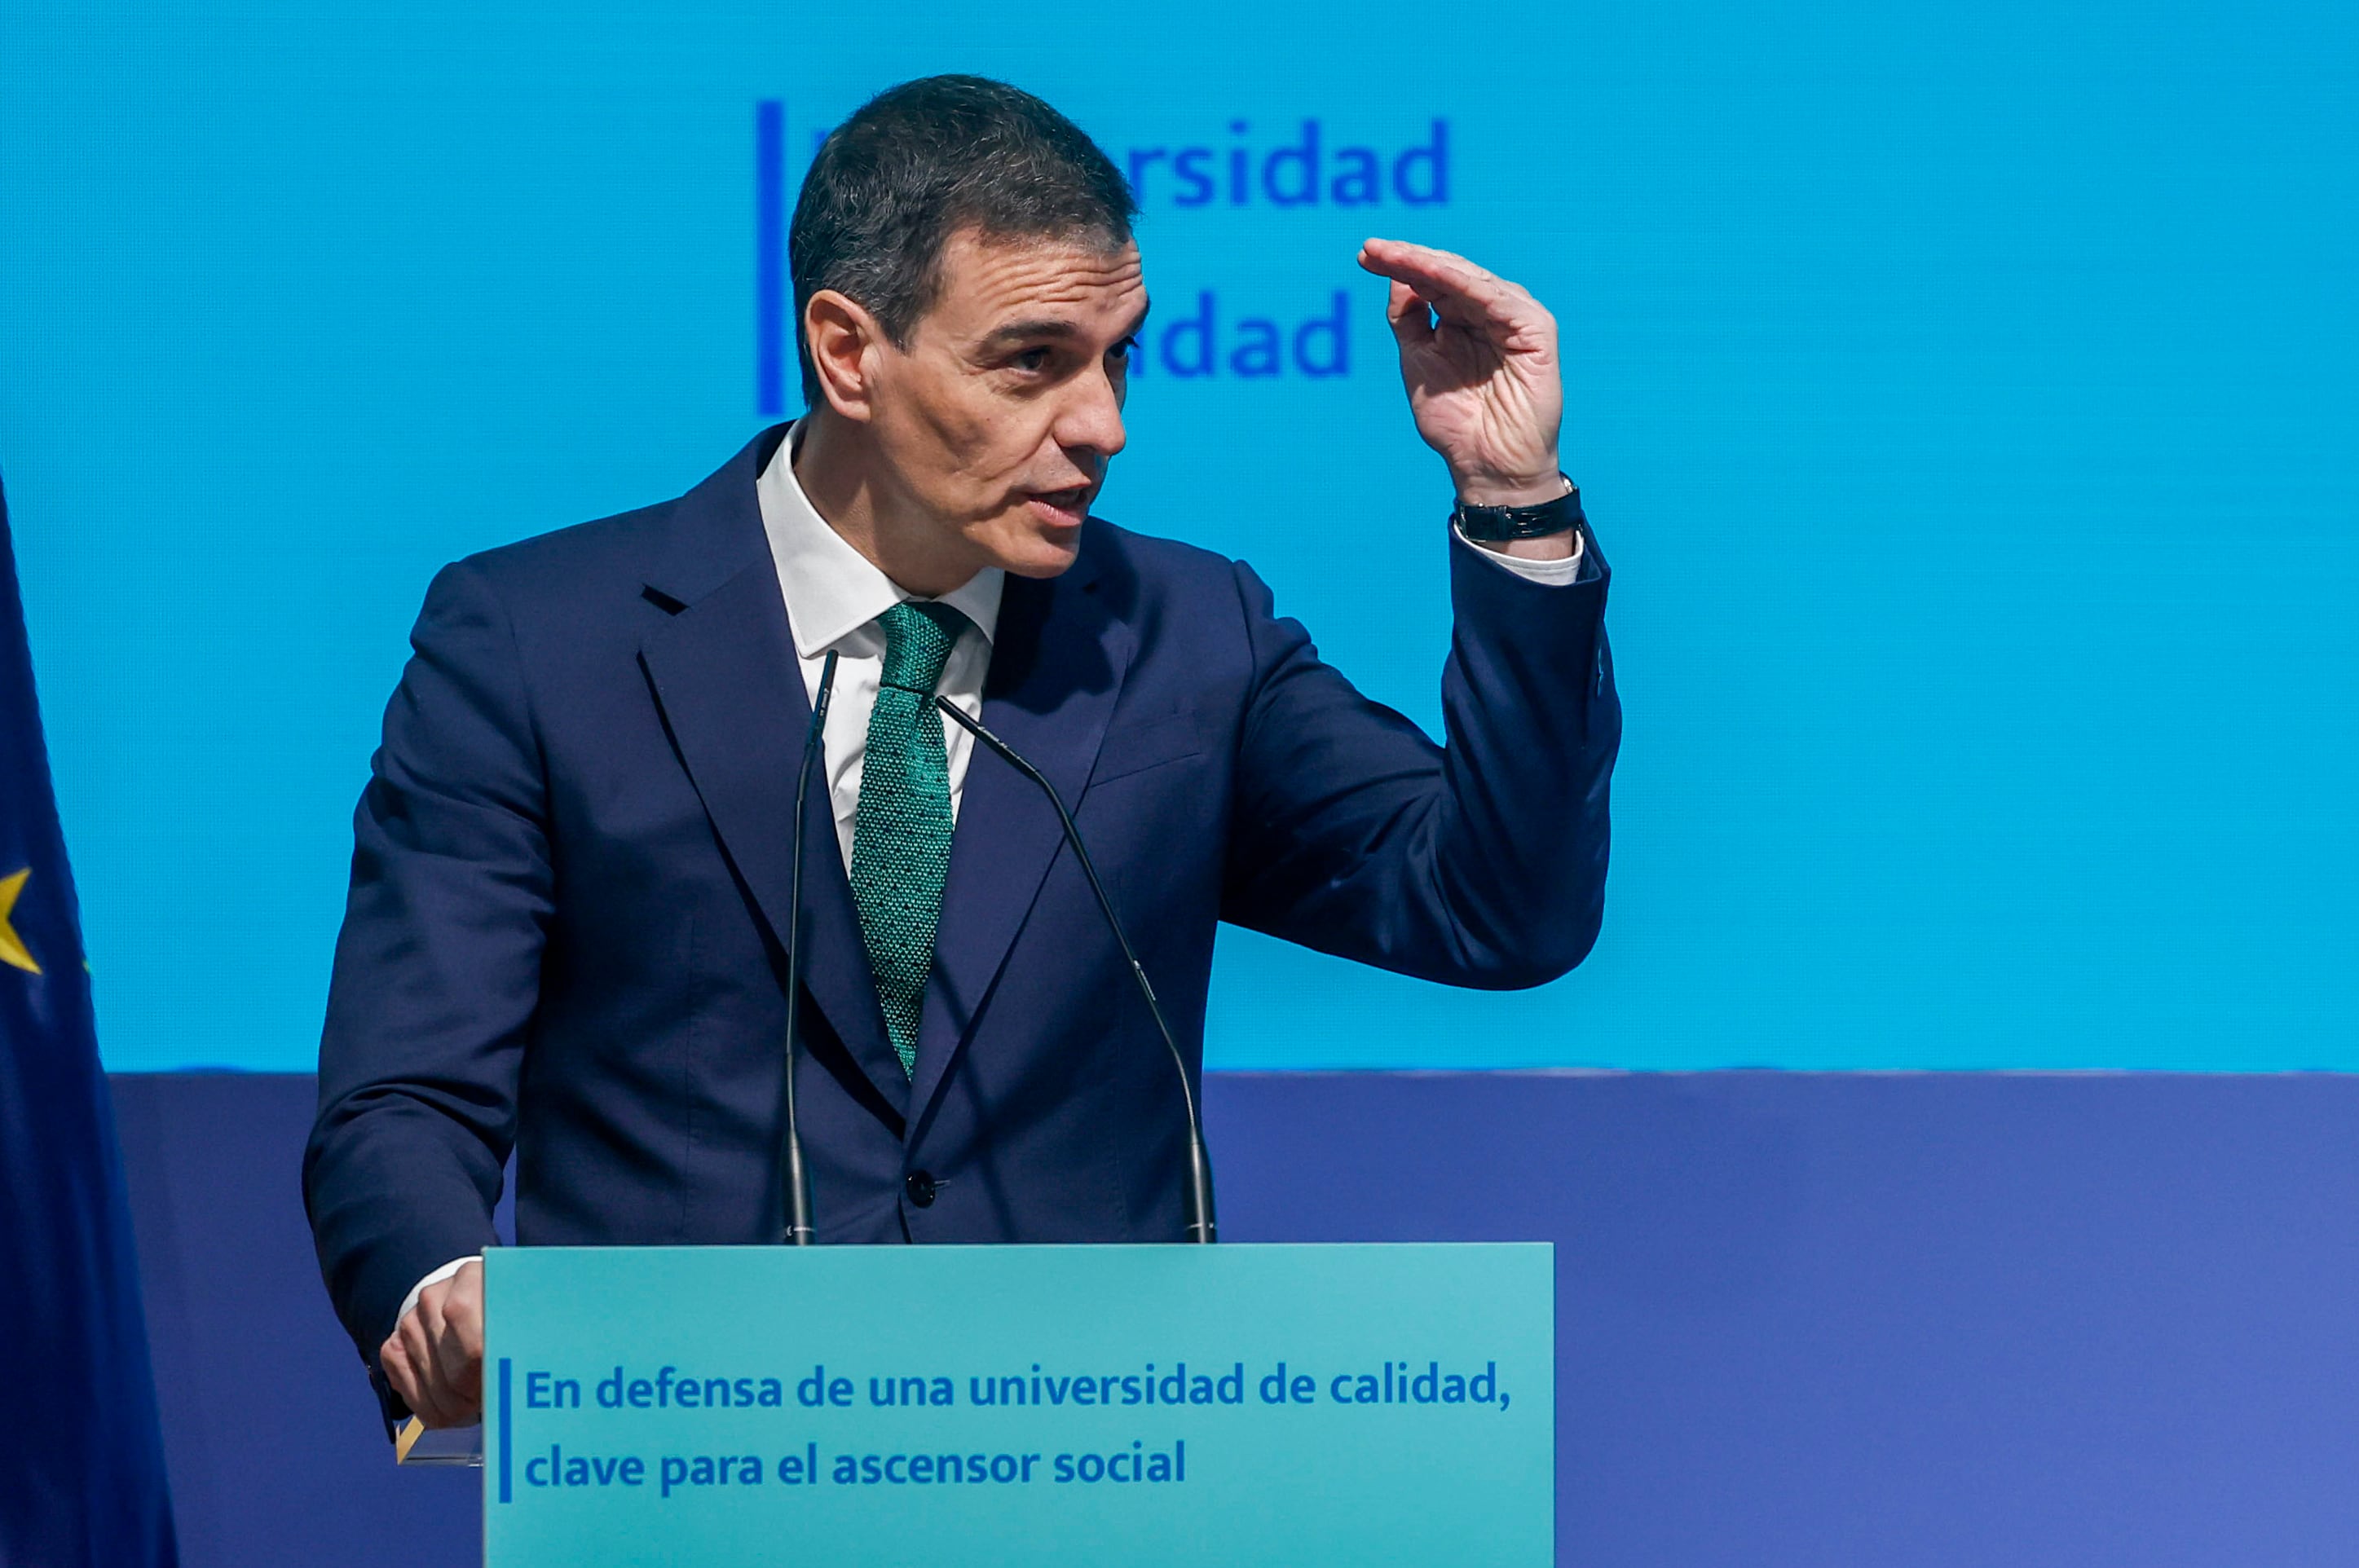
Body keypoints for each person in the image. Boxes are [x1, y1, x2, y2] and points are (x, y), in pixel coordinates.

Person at [304, 74, 1620, 1433]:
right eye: (1032, 362)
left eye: (1119, 357)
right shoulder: (538, 641)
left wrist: (1512, 500)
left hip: (1085, 1470)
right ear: (848, 353)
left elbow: (1496, 912)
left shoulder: (1183, 637)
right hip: (691, 1466)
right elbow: (403, 1093)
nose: (1101, 423)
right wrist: (443, 1288)